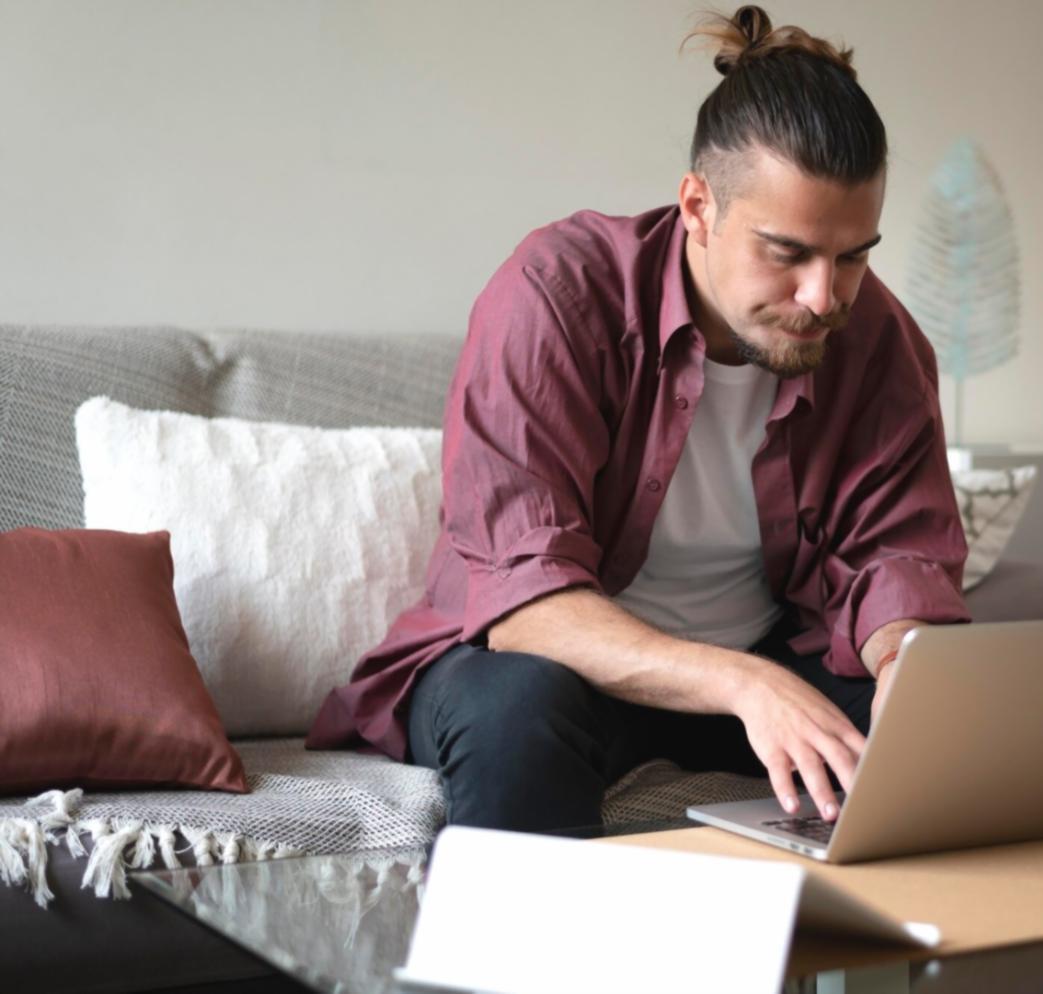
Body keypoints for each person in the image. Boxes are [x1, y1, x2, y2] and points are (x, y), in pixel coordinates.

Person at [306, 5, 970, 832]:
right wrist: (743, 684)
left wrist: (906, 669)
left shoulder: (877, 339)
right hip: (548, 665)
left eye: (853, 256)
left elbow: (895, 560)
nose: (822, 296)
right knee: (517, 717)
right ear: (697, 207)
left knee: (948, 738)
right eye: (788, 252)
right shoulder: (559, 296)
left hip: (765, 658)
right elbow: (527, 602)